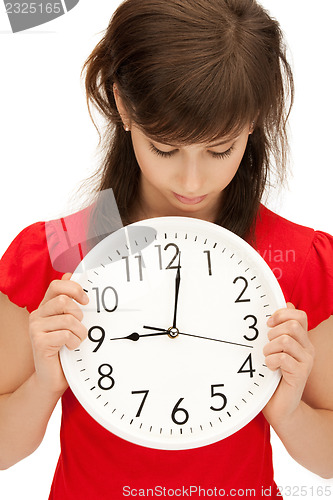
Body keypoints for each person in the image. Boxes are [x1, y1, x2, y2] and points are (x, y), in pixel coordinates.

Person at [0, 0, 332, 499]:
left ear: (253, 121)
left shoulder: (298, 257)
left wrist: (289, 411)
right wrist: (44, 383)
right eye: (166, 148)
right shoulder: (57, 250)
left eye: (220, 151)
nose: (193, 181)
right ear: (124, 106)